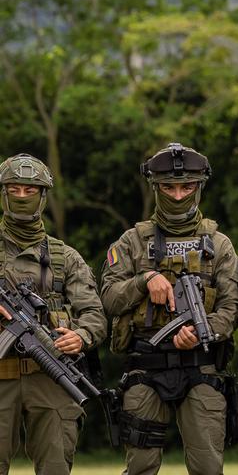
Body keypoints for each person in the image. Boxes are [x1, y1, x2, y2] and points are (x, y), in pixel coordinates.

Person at [101, 143, 238, 474]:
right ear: (155, 187)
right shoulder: (131, 242)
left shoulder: (219, 244)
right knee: (140, 466)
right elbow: (108, 297)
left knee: (208, 466)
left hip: (202, 366)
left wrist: (203, 331)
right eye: (168, 187)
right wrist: (144, 280)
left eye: (187, 187)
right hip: (145, 369)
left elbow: (232, 305)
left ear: (199, 186)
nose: (178, 196)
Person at [0, 153, 106, 475]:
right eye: (14, 189)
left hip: (50, 374)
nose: (21, 196)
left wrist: (81, 335)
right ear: (3, 193)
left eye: (29, 190)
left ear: (42, 195)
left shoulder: (64, 257)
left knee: (56, 467)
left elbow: (94, 314)